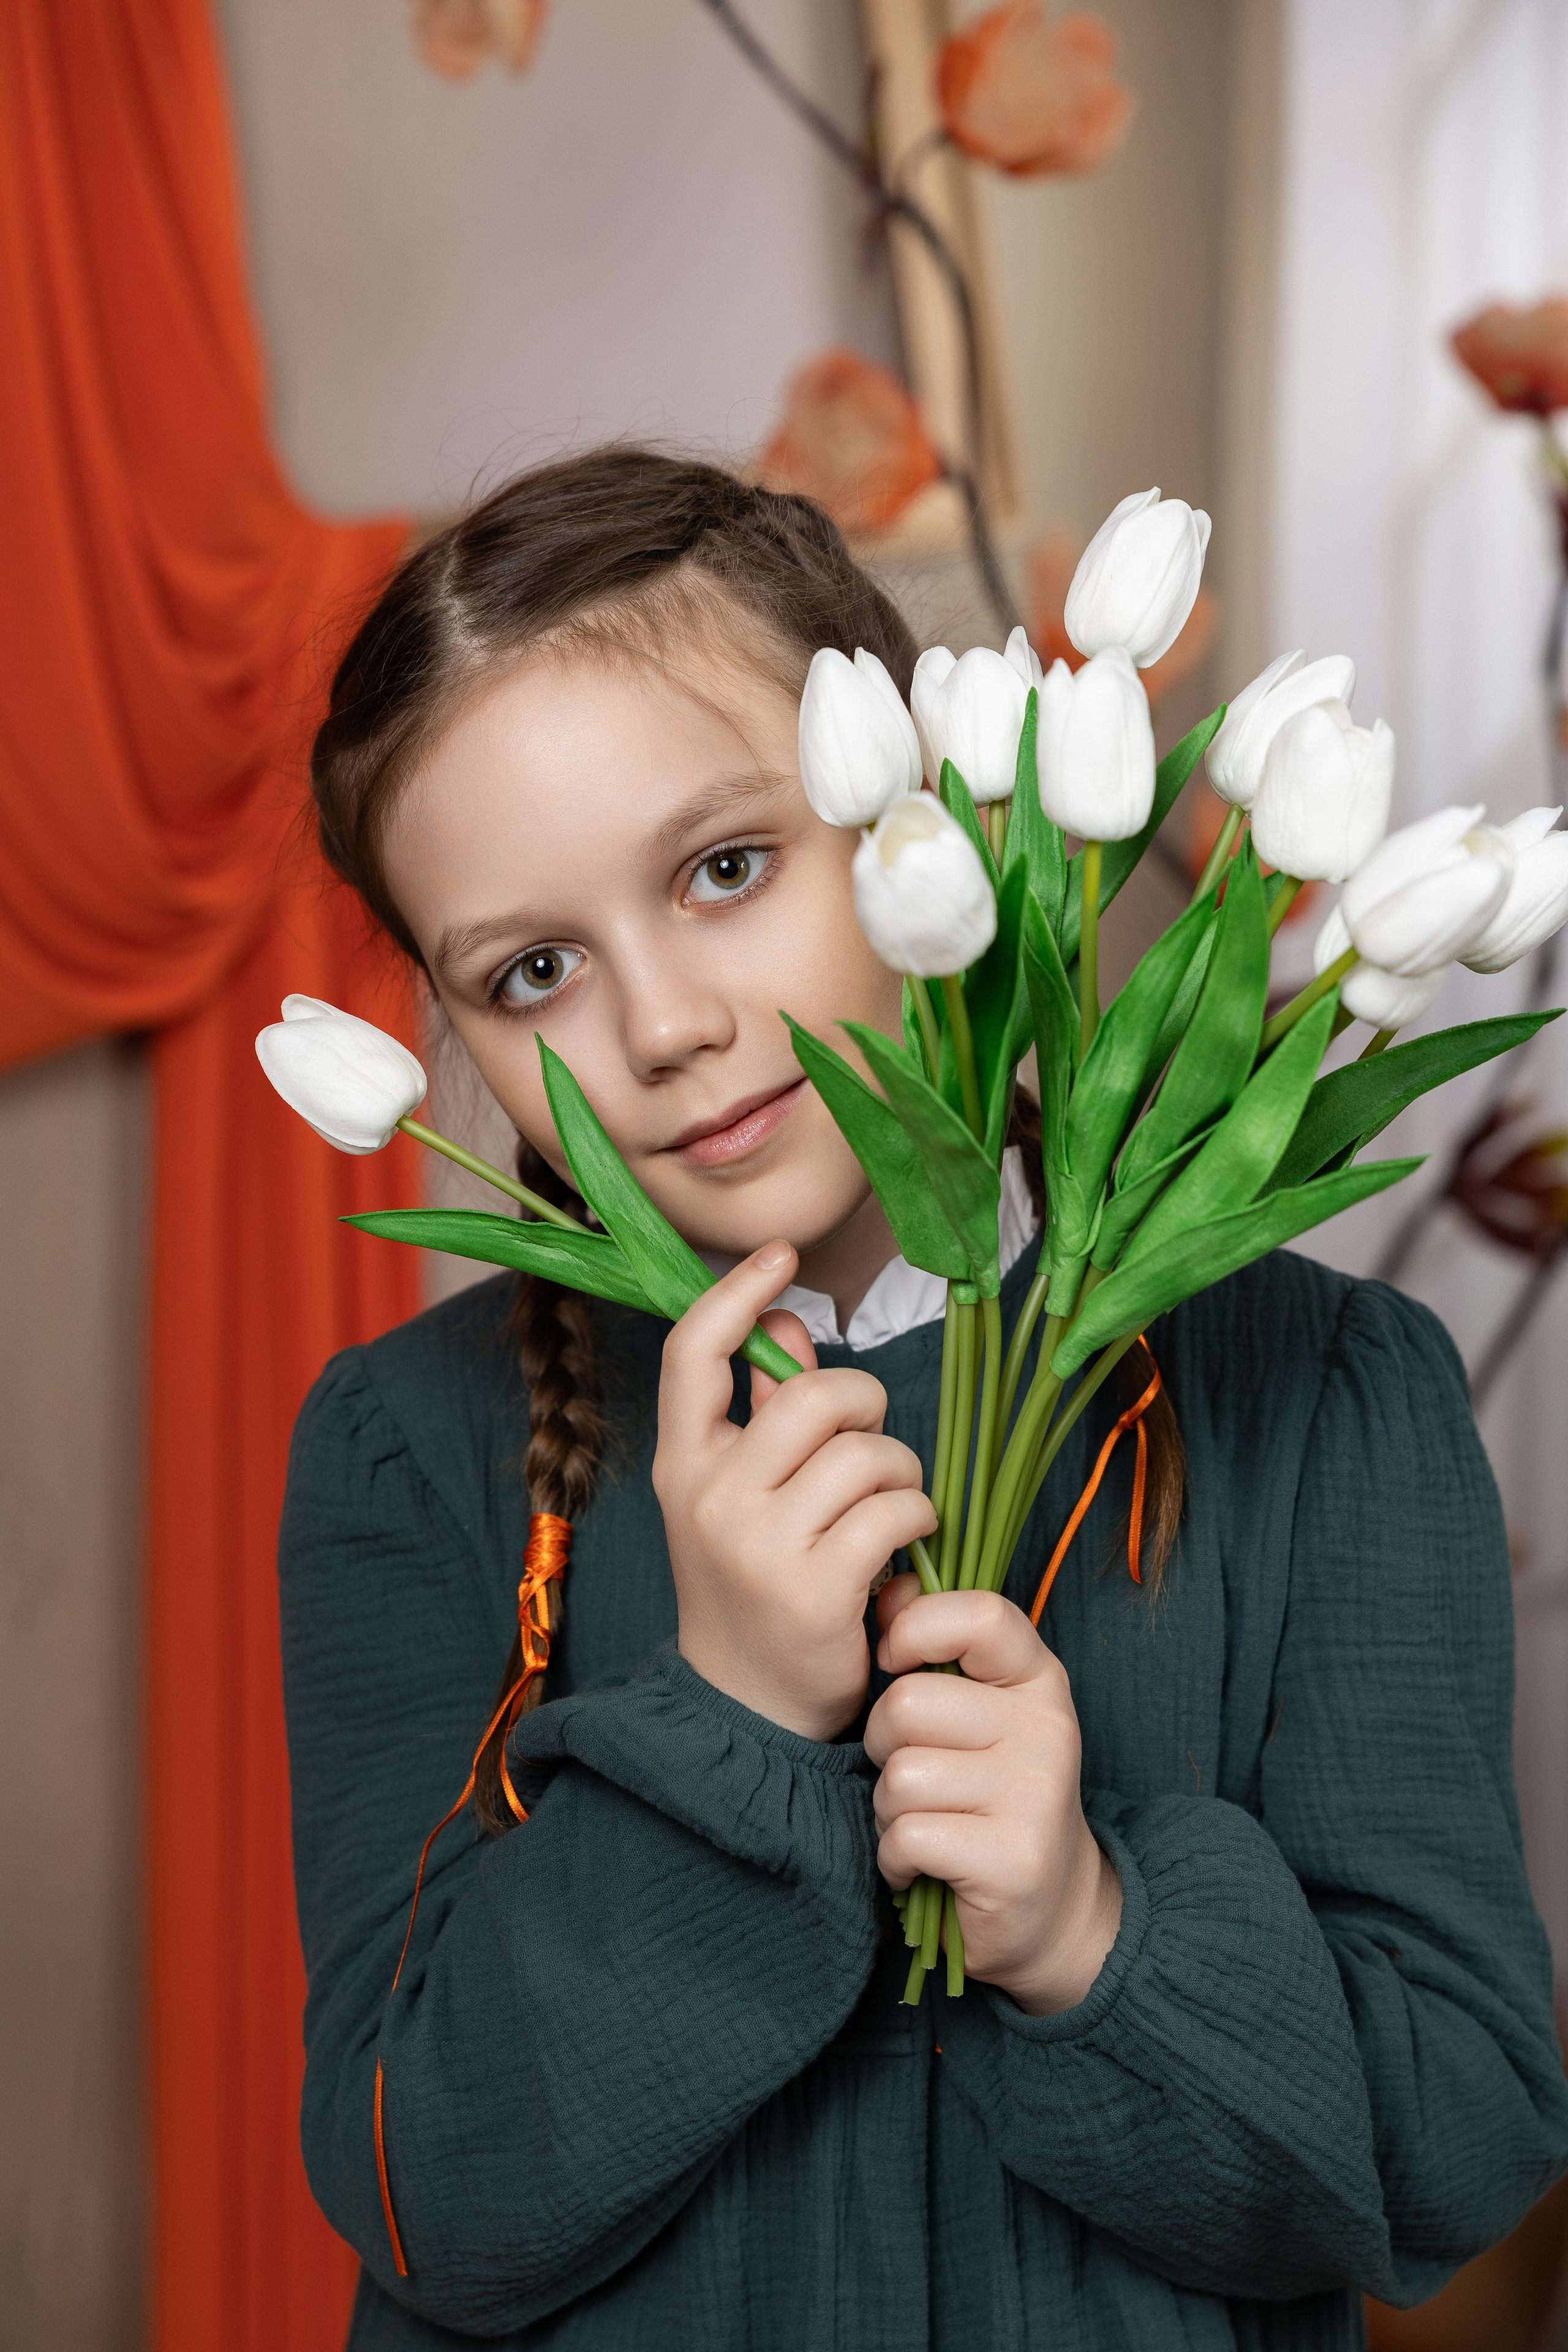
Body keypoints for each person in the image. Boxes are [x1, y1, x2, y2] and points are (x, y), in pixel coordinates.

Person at [280, 447, 1568, 2351]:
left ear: (930, 809)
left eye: (727, 869)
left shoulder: (1327, 1390)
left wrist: (1091, 1929)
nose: (664, 1026)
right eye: (534, 969)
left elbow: (1459, 2154)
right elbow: (426, 2193)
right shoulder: (408, 1449)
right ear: (453, 1024)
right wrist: (725, 1721)